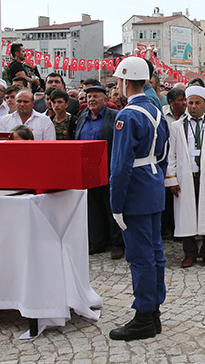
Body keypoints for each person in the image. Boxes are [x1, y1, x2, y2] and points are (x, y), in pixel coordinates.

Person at [108, 57, 170, 341]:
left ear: (124, 81)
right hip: (153, 183)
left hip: (135, 189)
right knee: (155, 252)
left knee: (140, 255)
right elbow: (165, 156)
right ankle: (153, 309)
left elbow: (120, 166)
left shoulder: (128, 116)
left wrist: (116, 204)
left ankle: (145, 314)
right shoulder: (158, 113)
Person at [165, 86, 205, 268]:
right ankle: (189, 252)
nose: (193, 106)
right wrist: (171, 179)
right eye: (190, 103)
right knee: (186, 213)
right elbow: (171, 154)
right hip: (185, 176)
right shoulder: (176, 126)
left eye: (197, 103)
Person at [76, 85, 123, 259]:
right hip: (88, 172)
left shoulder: (115, 117)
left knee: (111, 207)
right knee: (93, 208)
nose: (91, 100)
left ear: (105, 99)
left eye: (96, 96)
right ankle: (97, 242)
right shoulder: (82, 117)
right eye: (89, 97)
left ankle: (117, 243)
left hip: (109, 169)